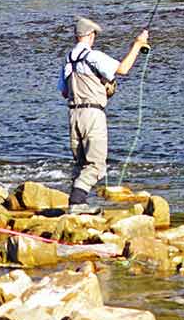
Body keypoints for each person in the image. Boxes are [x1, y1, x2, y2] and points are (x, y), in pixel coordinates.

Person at [59, 15, 150, 209]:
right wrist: (137, 44)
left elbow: (64, 92)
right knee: (96, 166)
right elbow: (123, 69)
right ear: (91, 35)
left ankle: (78, 203)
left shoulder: (68, 61)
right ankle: (76, 202)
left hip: (73, 115)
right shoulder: (93, 56)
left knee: (81, 163)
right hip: (93, 114)